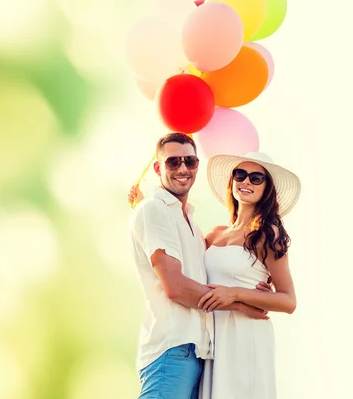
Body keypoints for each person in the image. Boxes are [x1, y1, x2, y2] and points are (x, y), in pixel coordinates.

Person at [129, 133, 271, 399]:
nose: (183, 168)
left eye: (190, 161)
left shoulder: (192, 227)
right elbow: (175, 287)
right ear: (158, 168)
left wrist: (252, 281)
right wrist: (240, 304)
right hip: (171, 349)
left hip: (198, 351)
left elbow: (218, 268)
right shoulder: (154, 210)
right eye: (173, 162)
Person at [197, 152, 301, 399]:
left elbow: (288, 301)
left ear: (267, 189)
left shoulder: (267, 234)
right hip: (212, 333)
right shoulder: (214, 234)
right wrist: (149, 204)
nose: (246, 182)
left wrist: (235, 294)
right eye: (240, 175)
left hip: (246, 336)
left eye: (256, 178)